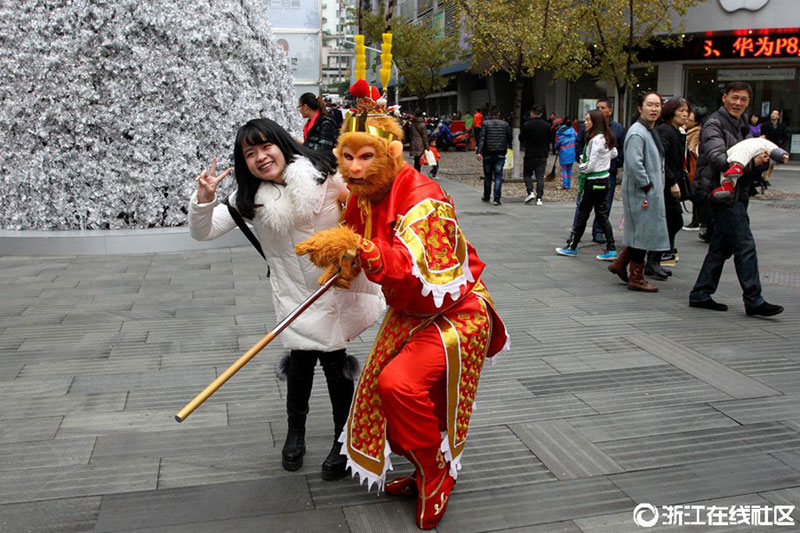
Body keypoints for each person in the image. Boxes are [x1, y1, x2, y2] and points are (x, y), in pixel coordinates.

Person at [295, 97, 508, 530]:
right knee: (378, 393)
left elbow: (412, 267)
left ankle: (435, 473)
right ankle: (423, 464)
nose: (354, 168)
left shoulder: (423, 196)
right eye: (348, 157)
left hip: (458, 312)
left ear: (390, 153)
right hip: (410, 313)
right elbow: (354, 236)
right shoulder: (363, 193)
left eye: (366, 156)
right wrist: (344, 264)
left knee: (397, 384)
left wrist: (360, 250)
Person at [188, 118, 384, 480]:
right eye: (250, 153)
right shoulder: (248, 199)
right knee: (301, 360)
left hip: (335, 287)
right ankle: (296, 433)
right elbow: (204, 231)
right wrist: (204, 200)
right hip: (293, 294)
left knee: (333, 361)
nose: (261, 157)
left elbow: (370, 207)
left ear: (280, 143)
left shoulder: (325, 173)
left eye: (266, 146)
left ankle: (345, 439)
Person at [689, 81, 784, 317]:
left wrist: (757, 165)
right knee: (745, 245)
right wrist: (752, 162)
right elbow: (719, 159)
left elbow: (743, 167)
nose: (738, 103)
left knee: (721, 247)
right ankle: (754, 299)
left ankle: (701, 293)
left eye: (743, 99)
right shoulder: (714, 124)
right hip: (721, 194)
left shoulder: (741, 124)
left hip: (736, 193)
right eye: (734, 97)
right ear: (724, 98)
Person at [607, 91, 669, 292]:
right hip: (641, 192)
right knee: (641, 232)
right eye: (650, 105)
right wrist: (647, 185)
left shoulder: (649, 130)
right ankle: (636, 278)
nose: (654, 109)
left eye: (657, 105)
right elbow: (634, 164)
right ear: (640, 108)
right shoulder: (637, 132)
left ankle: (619, 264)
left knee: (642, 231)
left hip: (648, 191)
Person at [555, 109, 618, 260]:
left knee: (583, 214)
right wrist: (602, 160)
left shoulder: (595, 140)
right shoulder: (606, 137)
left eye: (589, 120)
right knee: (601, 215)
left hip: (592, 182)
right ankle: (611, 248)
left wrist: (582, 165)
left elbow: (589, 166)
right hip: (604, 180)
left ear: (595, 122)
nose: (586, 123)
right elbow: (614, 153)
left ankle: (572, 246)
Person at [567, 99, 626, 246]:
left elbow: (615, 153)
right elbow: (580, 145)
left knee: (594, 210)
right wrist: (583, 157)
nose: (585, 122)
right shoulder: (594, 134)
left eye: (603, 108)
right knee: (590, 211)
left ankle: (593, 237)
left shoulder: (606, 134)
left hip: (597, 177)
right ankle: (579, 237)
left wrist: (586, 166)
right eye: (597, 107)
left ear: (610, 111)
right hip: (599, 176)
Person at [652, 96, 689, 276]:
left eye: (687, 111)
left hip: (670, 182)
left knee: (672, 221)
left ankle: (655, 259)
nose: (685, 114)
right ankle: (654, 259)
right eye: (681, 111)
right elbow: (661, 159)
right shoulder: (665, 131)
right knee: (672, 221)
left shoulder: (677, 131)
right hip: (664, 185)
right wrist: (673, 182)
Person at [712, 137, 789, 199]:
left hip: (745, 184)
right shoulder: (753, 142)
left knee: (737, 158)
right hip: (737, 159)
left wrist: (781, 155)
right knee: (738, 156)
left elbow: (773, 149)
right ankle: (728, 182)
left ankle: (728, 183)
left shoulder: (761, 143)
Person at [476, 106, 512, 205]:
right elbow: (510, 137)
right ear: (498, 114)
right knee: (498, 176)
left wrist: (479, 152)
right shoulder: (505, 124)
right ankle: (497, 198)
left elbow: (482, 138)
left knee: (488, 176)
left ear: (489, 114)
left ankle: (487, 196)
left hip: (488, 153)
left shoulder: (485, 124)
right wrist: (507, 146)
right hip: (500, 153)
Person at [519, 106, 552, 205]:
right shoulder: (547, 125)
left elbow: (521, 138)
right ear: (541, 114)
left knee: (527, 174)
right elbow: (550, 139)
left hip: (530, 153)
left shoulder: (527, 125)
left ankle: (530, 192)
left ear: (532, 113)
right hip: (542, 154)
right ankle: (539, 198)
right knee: (540, 177)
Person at [683, 109, 704, 231]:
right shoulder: (688, 131)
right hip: (693, 168)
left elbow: (693, 149)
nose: (687, 121)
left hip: (694, 168)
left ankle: (697, 220)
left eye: (690, 120)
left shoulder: (695, 133)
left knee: (695, 194)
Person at [554, 117, 577, 189]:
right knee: (569, 170)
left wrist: (556, 148)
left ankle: (564, 185)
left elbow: (558, 143)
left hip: (564, 154)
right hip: (572, 154)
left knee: (564, 170)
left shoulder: (561, 133)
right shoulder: (573, 131)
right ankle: (568, 185)